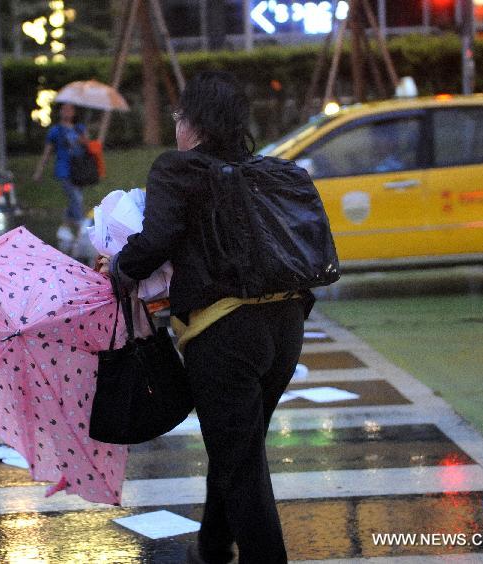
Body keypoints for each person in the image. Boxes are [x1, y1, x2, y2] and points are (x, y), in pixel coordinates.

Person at [103, 71, 313, 564]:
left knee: (240, 461)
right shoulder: (262, 171)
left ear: (193, 124)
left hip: (225, 336)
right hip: (286, 327)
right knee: (240, 445)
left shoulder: (178, 170)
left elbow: (155, 243)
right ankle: (214, 544)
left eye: (179, 117)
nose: (176, 126)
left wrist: (118, 266)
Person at [32, 103, 90, 250]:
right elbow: (47, 152)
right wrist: (39, 170)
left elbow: (88, 145)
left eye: (70, 109)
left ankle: (64, 229)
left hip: (79, 170)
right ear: (60, 112)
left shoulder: (79, 128)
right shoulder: (55, 131)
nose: (67, 112)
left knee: (74, 198)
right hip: (64, 170)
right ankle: (83, 226)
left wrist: (82, 140)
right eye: (64, 109)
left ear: (74, 112)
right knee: (76, 197)